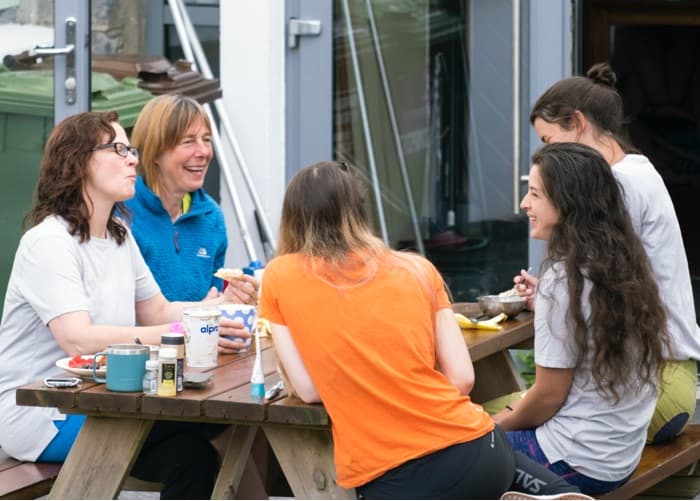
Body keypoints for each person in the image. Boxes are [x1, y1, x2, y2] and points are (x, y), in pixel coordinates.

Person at [258, 160, 587, 500]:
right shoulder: (416, 267)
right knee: (499, 471)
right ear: (359, 210)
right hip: (482, 449)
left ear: (292, 217)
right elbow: (462, 378)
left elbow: (309, 390)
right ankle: (554, 492)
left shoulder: (279, 276)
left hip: (399, 476)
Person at [0, 111, 247, 499]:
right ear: (78, 161)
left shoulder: (119, 236)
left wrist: (219, 311)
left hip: (110, 397)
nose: (133, 158)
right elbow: (78, 340)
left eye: (130, 149)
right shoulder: (48, 243)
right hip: (46, 415)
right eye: (118, 149)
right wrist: (178, 335)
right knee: (209, 418)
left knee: (195, 457)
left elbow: (158, 310)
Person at [514, 62, 700, 445]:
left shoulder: (617, 186)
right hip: (666, 376)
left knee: (495, 416)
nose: (548, 156)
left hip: (654, 382)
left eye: (549, 141)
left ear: (578, 123)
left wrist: (556, 295)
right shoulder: (637, 168)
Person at [494, 143, 671, 495]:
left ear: (567, 203)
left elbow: (547, 397)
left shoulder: (563, 283)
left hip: (574, 461)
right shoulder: (623, 266)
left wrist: (496, 425)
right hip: (619, 457)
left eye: (534, 194)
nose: (524, 204)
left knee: (460, 449)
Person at [125, 93, 258, 351]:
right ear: (155, 150)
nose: (204, 152)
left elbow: (212, 304)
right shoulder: (122, 214)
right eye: (188, 142)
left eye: (206, 140)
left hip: (196, 356)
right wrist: (211, 309)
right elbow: (132, 315)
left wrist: (233, 301)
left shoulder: (212, 219)